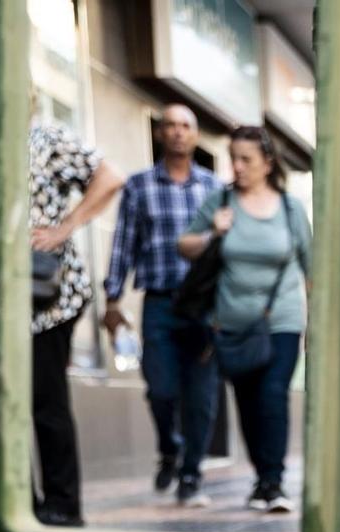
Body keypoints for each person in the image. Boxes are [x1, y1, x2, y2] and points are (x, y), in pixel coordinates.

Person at [179, 126, 310, 515]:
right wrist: (211, 234)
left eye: (246, 159)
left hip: (282, 319)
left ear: (268, 163)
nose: (237, 166)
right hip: (231, 324)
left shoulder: (290, 209)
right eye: (233, 157)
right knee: (249, 403)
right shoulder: (220, 202)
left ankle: (273, 482)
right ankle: (261, 478)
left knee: (272, 395)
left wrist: (317, 321)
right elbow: (184, 246)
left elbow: (312, 266)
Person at [102, 104, 222, 507]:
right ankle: (170, 448)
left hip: (204, 308)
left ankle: (191, 475)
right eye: (169, 125)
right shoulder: (138, 186)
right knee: (161, 390)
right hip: (159, 304)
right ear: (159, 134)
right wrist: (112, 299)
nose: (177, 132)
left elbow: (226, 250)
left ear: (195, 135)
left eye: (185, 126)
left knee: (202, 396)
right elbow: (124, 244)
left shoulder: (214, 188)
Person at [29, 113, 123, 527]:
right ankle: (21, 498)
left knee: (46, 402)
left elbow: (109, 176)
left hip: (46, 297)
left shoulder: (44, 136)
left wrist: (65, 227)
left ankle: (63, 505)